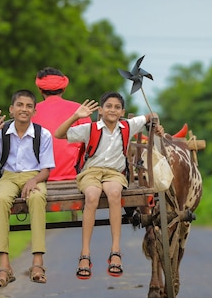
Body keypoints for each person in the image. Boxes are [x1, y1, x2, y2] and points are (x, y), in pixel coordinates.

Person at [54, 91, 164, 279]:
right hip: (91, 172)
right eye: (108, 106)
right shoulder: (91, 128)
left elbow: (151, 115)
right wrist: (75, 116)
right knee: (92, 196)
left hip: (114, 173)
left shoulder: (127, 126)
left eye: (117, 107)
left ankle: (115, 251)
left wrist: (156, 124)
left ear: (122, 111)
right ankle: (85, 254)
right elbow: (58, 134)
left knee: (114, 193)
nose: (112, 110)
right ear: (101, 110)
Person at [0, 89, 55, 288]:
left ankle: (38, 262)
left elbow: (46, 170)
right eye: (20, 105)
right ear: (11, 110)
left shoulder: (42, 134)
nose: (24, 109)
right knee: (0, 199)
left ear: (34, 112)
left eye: (29, 106)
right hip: (8, 177)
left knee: (37, 199)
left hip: (34, 176)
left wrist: (34, 181)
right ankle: (4, 265)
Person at [31, 67, 90, 181]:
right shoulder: (79, 110)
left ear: (40, 89)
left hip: (37, 179)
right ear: (63, 88)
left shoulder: (30, 112)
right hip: (75, 177)